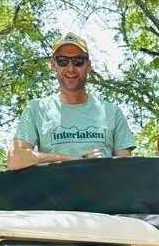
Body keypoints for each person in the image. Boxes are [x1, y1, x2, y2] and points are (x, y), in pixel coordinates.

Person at [7, 32, 135, 169]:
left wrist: (101, 166)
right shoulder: (37, 109)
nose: (70, 68)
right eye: (62, 61)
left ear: (89, 66)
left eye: (78, 61)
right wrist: (75, 160)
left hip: (102, 190)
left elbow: (126, 171)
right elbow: (15, 159)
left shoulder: (112, 112)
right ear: (53, 65)